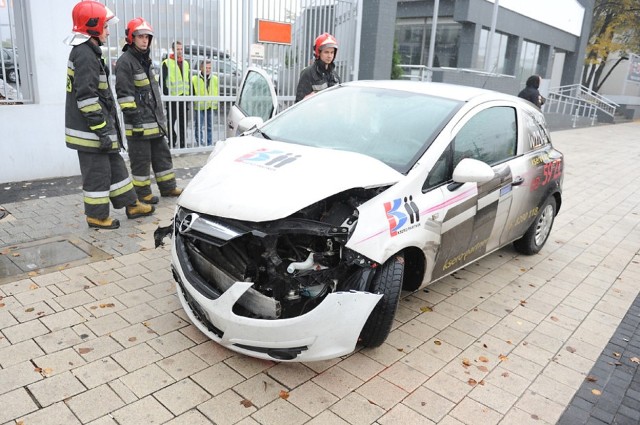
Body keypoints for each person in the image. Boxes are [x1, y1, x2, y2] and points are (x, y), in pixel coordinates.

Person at [64, 0, 154, 230]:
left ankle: (131, 204)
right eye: (105, 26)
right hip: (91, 133)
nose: (108, 30)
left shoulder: (89, 51)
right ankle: (96, 215)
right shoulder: (84, 53)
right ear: (92, 26)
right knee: (97, 175)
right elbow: (86, 99)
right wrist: (103, 130)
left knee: (117, 168)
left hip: (99, 130)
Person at [115, 18, 183, 204]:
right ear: (131, 38)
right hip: (139, 126)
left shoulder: (146, 61)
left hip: (154, 124)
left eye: (147, 37)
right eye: (140, 37)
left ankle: (168, 188)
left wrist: (161, 121)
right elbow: (125, 97)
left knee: (163, 157)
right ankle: (143, 193)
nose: (145, 40)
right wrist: (136, 122)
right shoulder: (125, 62)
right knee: (141, 161)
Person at [295, 33, 340, 103]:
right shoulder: (308, 73)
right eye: (326, 52)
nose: (329, 56)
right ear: (318, 53)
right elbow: (299, 103)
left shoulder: (335, 76)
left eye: (332, 52)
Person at [161, 41, 190, 148]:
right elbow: (162, 81)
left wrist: (189, 94)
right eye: (178, 49)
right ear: (173, 50)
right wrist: (167, 93)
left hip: (184, 97)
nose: (180, 51)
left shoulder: (186, 63)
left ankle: (182, 144)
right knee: (170, 122)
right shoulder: (166, 63)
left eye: (181, 49)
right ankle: (172, 141)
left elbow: (188, 79)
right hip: (172, 98)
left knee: (183, 123)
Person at [191, 59, 219, 146]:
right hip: (200, 106)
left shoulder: (215, 79)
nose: (208, 69)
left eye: (209, 68)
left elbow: (216, 92)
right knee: (198, 126)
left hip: (211, 106)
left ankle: (209, 144)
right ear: (201, 68)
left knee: (210, 127)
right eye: (206, 67)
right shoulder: (194, 79)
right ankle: (200, 143)